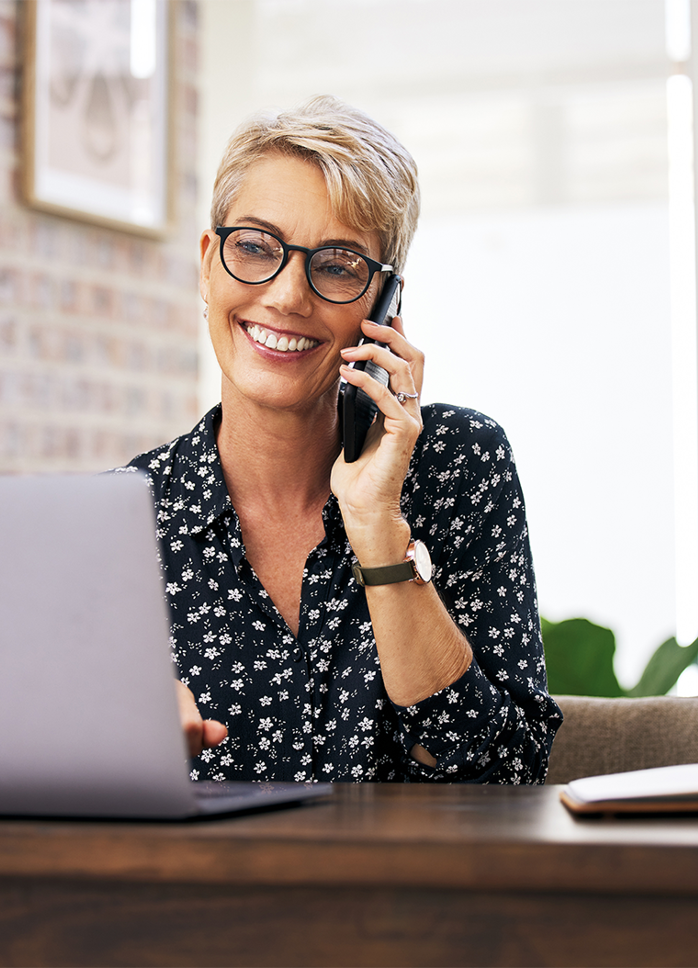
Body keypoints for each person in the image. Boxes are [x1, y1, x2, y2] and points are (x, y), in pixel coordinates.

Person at [118, 95, 562, 783]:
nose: (289, 295)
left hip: (411, 891)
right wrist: (126, 754)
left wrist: (376, 526)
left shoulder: (457, 464)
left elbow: (503, 775)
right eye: (256, 248)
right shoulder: (124, 516)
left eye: (336, 264)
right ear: (208, 264)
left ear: (386, 306)